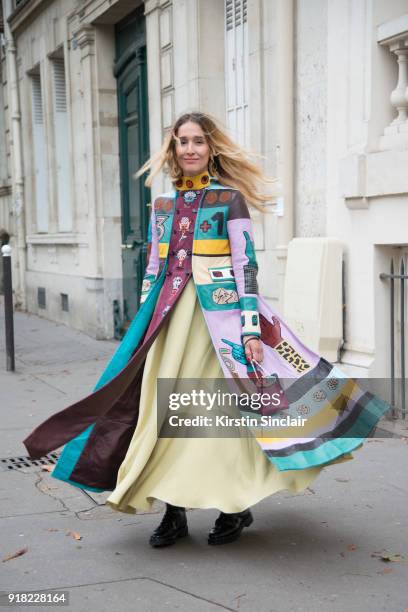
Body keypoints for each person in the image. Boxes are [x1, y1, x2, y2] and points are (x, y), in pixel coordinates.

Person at [23, 111, 390, 548]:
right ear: (174, 149)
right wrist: (144, 322)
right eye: (183, 141)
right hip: (169, 328)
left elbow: (245, 265)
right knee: (161, 419)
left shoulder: (229, 200)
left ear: (211, 148)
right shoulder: (162, 205)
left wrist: (250, 329)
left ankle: (233, 508)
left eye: (198, 141)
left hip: (222, 326)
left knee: (221, 418)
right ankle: (173, 512)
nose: (191, 148)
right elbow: (155, 268)